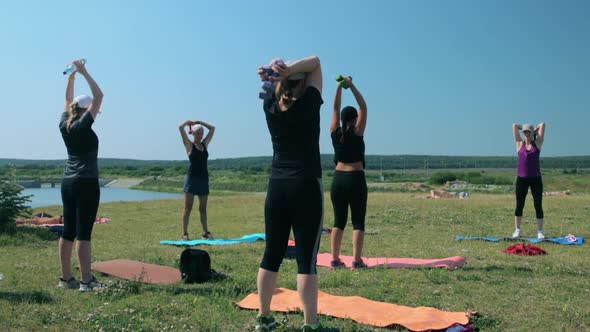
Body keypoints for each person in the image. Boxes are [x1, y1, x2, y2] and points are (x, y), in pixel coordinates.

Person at [255, 55, 338, 332]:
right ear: (303, 83)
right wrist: (287, 69)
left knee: (271, 255)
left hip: (276, 187)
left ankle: (264, 318)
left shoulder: (270, 106)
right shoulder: (310, 104)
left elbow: (273, 83)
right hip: (305, 186)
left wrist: (275, 72)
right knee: (306, 261)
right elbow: (315, 61)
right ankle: (310, 325)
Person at [58, 59, 104, 291]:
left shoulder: (65, 122)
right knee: (83, 233)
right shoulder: (84, 124)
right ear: (87, 110)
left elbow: (67, 100)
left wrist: (72, 77)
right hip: (86, 183)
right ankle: (86, 281)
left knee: (68, 231)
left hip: (68, 183)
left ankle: (66, 279)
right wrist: (84, 71)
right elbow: (100, 95)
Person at [328, 76, 368, 270]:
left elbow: (335, 108)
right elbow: (364, 107)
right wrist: (351, 85)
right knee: (358, 221)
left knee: (338, 221)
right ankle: (356, 260)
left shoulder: (334, 131)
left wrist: (338, 87)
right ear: (355, 119)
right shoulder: (358, 131)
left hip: (338, 180)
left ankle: (335, 260)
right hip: (356, 178)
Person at [178, 120, 215, 240]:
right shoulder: (189, 145)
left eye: (201, 133)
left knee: (203, 209)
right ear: (192, 134)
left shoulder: (205, 144)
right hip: (192, 179)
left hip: (203, 179)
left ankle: (206, 232)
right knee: (187, 208)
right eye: (197, 133)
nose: (199, 135)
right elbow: (180, 128)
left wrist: (200, 122)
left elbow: (212, 128)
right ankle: (185, 234)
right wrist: (187, 123)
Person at [511, 122, 546, 239]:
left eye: (528, 132)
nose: (526, 133)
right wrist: (524, 127)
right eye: (525, 132)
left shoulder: (537, 143)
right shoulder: (519, 144)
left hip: (536, 179)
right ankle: (517, 230)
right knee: (519, 205)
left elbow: (543, 124)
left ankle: (540, 231)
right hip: (521, 179)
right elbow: (514, 125)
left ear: (532, 133)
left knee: (538, 204)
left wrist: (534, 130)